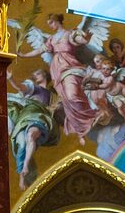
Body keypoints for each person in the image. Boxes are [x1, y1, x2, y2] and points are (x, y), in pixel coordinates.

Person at [18, 13, 96, 144]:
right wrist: (24, 55)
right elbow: (39, 50)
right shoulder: (52, 40)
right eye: (49, 24)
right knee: (66, 100)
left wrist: (86, 40)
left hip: (70, 68)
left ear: (58, 21)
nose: (50, 26)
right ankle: (80, 129)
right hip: (57, 72)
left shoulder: (69, 34)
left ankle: (90, 116)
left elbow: (79, 39)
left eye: (51, 23)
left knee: (72, 96)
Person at [7, 67, 60, 189]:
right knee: (21, 145)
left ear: (45, 75)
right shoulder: (32, 88)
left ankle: (25, 165)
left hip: (39, 115)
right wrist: (11, 79)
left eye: (37, 73)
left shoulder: (52, 95)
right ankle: (22, 175)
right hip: (25, 115)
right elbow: (21, 87)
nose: (35, 76)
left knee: (31, 135)